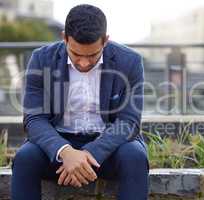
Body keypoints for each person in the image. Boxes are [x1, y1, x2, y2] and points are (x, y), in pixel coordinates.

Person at [11, 4, 149, 200]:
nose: (84, 63)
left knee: (135, 156)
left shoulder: (130, 62)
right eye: (76, 54)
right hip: (57, 146)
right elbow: (34, 119)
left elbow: (129, 122)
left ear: (105, 41)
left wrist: (85, 156)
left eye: (93, 55)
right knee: (25, 158)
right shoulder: (41, 60)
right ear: (64, 38)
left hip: (109, 147)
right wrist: (66, 152)